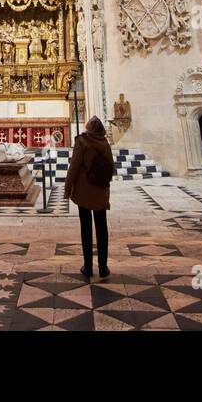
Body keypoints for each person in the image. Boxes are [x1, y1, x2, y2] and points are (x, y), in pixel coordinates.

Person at [64, 115, 115, 280]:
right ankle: (103, 267)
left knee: (86, 228)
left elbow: (74, 166)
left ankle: (87, 267)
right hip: (100, 189)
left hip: (84, 190)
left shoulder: (82, 141)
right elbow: (111, 167)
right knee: (102, 228)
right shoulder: (105, 143)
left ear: (89, 128)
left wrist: (67, 188)